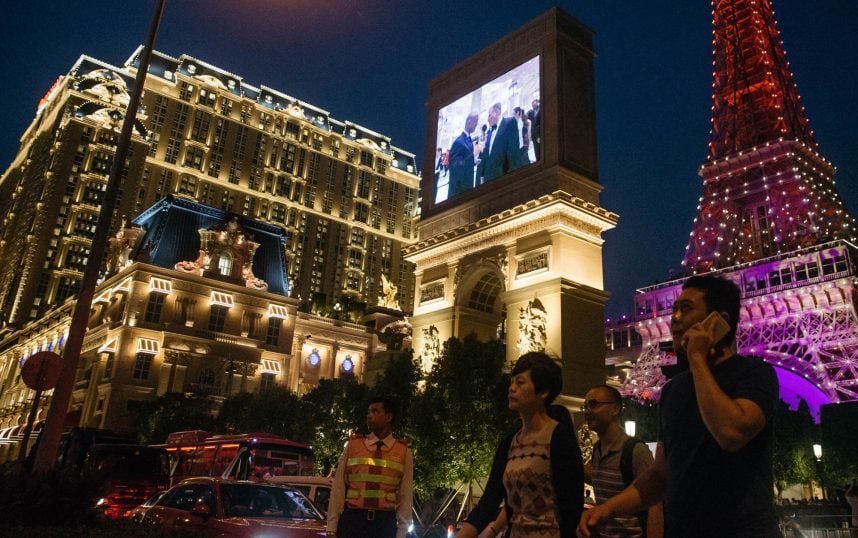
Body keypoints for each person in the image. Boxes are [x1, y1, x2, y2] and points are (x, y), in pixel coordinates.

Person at [577, 275, 780, 538]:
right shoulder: (673, 390)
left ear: (720, 321)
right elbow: (660, 475)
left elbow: (732, 433)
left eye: (686, 309)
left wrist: (697, 357)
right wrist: (607, 509)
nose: (674, 318)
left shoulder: (755, 374)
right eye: (673, 310)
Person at [457, 352, 584, 537]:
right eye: (512, 381)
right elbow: (489, 502)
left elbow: (572, 508)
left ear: (543, 392)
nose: (512, 388)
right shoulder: (509, 444)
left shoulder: (559, 438)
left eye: (520, 382)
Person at [582, 384, 663, 537]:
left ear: (615, 409)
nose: (587, 411)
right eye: (585, 406)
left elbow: (655, 503)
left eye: (593, 405)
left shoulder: (635, 450)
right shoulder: (597, 449)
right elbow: (603, 480)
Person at [327, 397, 413, 538]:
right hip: (353, 520)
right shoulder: (353, 445)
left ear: (388, 417)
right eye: (368, 412)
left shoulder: (404, 451)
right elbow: (338, 487)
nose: (369, 415)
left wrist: (401, 532)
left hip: (384, 523)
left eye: (375, 411)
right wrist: (331, 528)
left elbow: (406, 494)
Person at [477, 103, 526, 184]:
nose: (488, 119)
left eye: (489, 115)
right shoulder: (489, 132)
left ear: (497, 113)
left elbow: (513, 152)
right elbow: (487, 156)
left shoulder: (510, 122)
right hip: (489, 180)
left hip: (504, 177)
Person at [448, 112, 480, 198]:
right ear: (469, 121)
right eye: (475, 121)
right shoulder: (459, 142)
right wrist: (472, 157)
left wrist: (474, 162)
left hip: (467, 189)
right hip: (458, 192)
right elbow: (454, 166)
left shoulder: (468, 140)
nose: (476, 124)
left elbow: (464, 161)